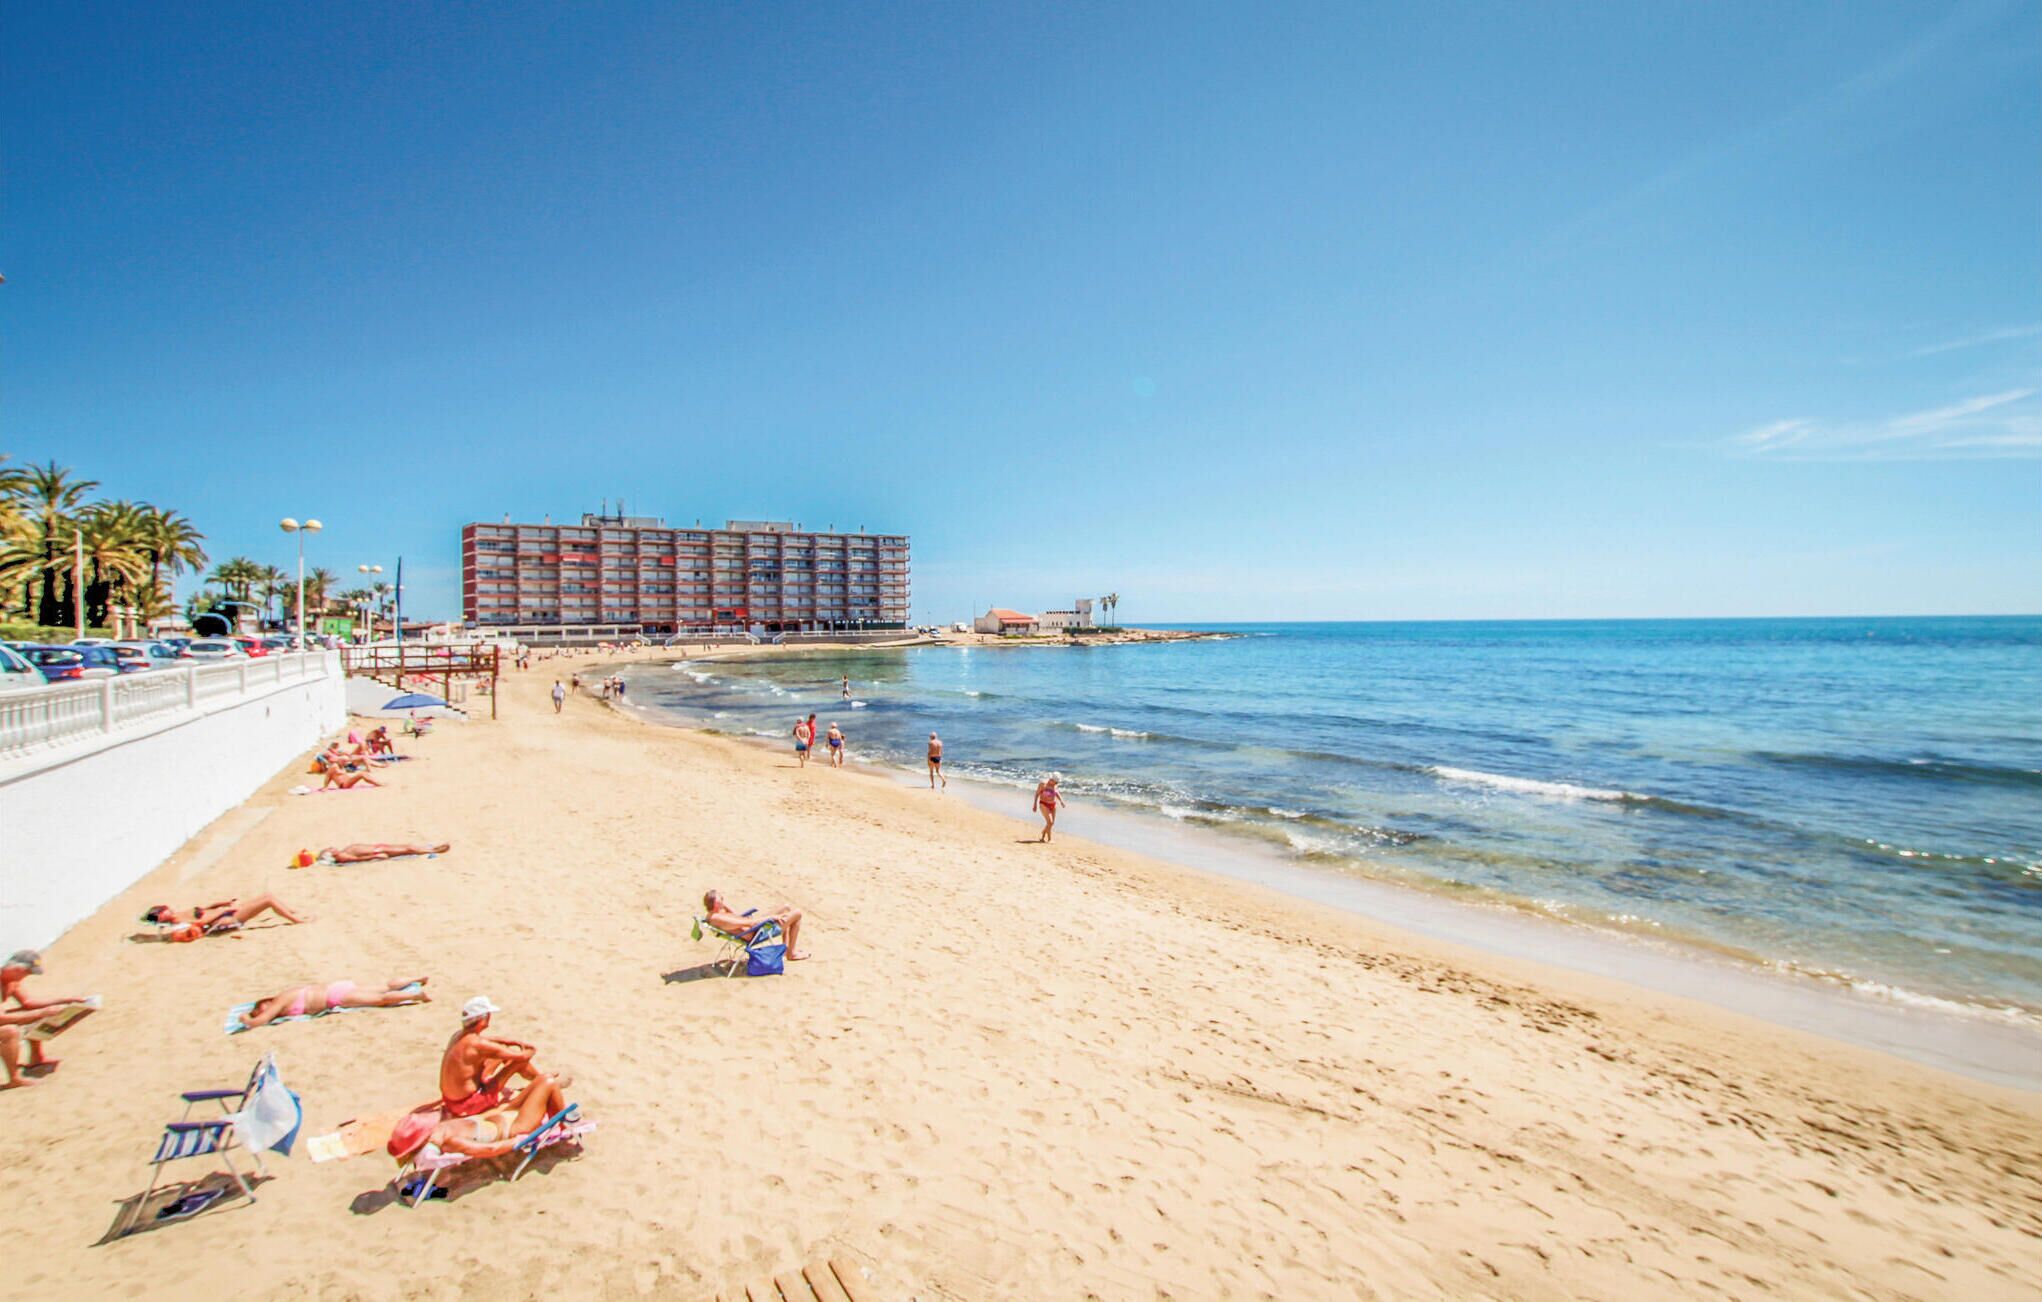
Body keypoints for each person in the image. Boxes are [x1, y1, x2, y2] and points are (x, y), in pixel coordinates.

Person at [392, 1069, 577, 1169]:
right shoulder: (451, 1140)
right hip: (514, 1127)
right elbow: (489, 1149)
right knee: (549, 1084)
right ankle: (562, 1126)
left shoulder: (439, 1132)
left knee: (544, 1078)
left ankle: (560, 1117)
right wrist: (518, 1141)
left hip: (502, 1115)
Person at [439, 996, 541, 1118]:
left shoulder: (458, 1036)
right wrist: (531, 1050)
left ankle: (538, 1079)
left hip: (450, 1101)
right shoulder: (478, 1045)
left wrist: (509, 1041)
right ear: (483, 1020)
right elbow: (522, 1056)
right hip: (468, 1105)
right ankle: (541, 1081)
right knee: (518, 1062)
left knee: (499, 1052)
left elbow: (486, 1042)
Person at [0, 950, 95, 1079]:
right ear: (17, 969)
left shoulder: (11, 981)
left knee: (36, 1015)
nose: (26, 976)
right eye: (27, 973)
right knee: (10, 1031)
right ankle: (14, 1078)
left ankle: (37, 1058)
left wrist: (65, 1001)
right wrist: (40, 1013)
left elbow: (28, 1003)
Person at [235, 975, 431, 1030]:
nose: (263, 1011)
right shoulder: (286, 998)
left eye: (261, 1008)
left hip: (334, 998)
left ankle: (416, 996)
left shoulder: (281, 999)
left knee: (380, 999)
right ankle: (415, 979)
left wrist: (248, 1020)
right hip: (336, 989)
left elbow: (261, 1020)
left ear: (267, 1001)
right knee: (384, 988)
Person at [702, 890, 810, 961]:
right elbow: (748, 923)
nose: (723, 900)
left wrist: (724, 906)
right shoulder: (719, 918)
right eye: (721, 899)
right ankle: (791, 954)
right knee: (797, 913)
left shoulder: (714, 915)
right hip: (756, 933)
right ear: (716, 904)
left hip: (753, 928)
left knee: (785, 908)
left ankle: (785, 949)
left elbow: (737, 917)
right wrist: (771, 918)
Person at [143, 894, 308, 932]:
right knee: (267, 901)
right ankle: (295, 919)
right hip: (225, 920)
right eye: (160, 911)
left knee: (267, 895)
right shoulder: (178, 922)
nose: (165, 909)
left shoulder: (179, 913)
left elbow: (205, 908)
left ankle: (291, 911)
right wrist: (226, 910)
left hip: (224, 912)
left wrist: (223, 903)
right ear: (160, 917)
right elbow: (201, 922)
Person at [318, 841, 450, 864]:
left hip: (379, 847)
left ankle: (430, 848)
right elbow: (356, 860)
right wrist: (375, 856)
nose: (331, 847)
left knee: (407, 846)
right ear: (331, 855)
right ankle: (433, 850)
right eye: (329, 849)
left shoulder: (342, 851)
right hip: (379, 850)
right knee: (407, 850)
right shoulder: (342, 856)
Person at [1033, 773, 1064, 842]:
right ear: (1051, 780)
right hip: (1043, 804)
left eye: (1057, 782)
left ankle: (1043, 835)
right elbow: (1037, 794)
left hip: (1053, 805)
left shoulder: (1055, 785)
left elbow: (1057, 793)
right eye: (1056, 782)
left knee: (1051, 823)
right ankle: (1050, 839)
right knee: (1050, 822)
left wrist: (1061, 801)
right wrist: (1035, 804)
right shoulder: (1043, 784)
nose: (1056, 783)